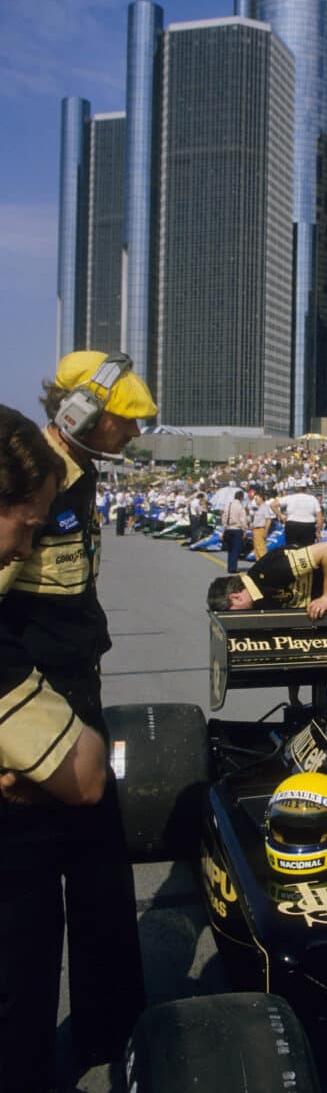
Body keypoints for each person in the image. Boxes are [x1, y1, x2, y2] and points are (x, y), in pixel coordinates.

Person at [1, 353, 156, 1085]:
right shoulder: (32, 479)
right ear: (79, 414)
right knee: (26, 914)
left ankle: (112, 1034)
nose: (133, 431)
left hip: (79, 693)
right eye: (125, 418)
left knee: (102, 880)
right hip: (28, 704)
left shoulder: (81, 475)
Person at [207, 540, 327, 620]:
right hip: (325, 610)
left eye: (233, 614)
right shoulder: (258, 600)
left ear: (235, 598)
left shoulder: (269, 572)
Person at [221, 488, 248, 573]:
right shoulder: (240, 507)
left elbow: (224, 517)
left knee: (230, 549)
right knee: (236, 549)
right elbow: (243, 520)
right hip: (237, 529)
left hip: (228, 529)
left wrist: (225, 526)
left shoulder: (228, 505)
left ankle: (230, 566)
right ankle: (233, 568)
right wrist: (245, 530)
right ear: (241, 498)